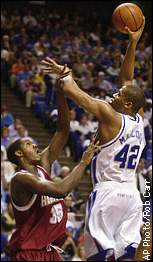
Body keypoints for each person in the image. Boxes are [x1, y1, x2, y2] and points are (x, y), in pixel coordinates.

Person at [41, 18, 146, 261]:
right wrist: (133, 44)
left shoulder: (109, 115)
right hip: (132, 196)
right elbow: (127, 80)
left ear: (128, 103)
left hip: (107, 193)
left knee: (98, 256)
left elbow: (74, 92)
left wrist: (65, 74)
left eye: (118, 95)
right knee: (128, 255)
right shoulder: (139, 119)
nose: (113, 94)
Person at [5, 80, 99, 261]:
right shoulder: (20, 179)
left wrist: (61, 94)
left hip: (49, 250)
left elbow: (62, 131)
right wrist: (83, 162)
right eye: (27, 144)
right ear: (18, 153)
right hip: (29, 253)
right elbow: (60, 190)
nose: (34, 144)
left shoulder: (43, 165)